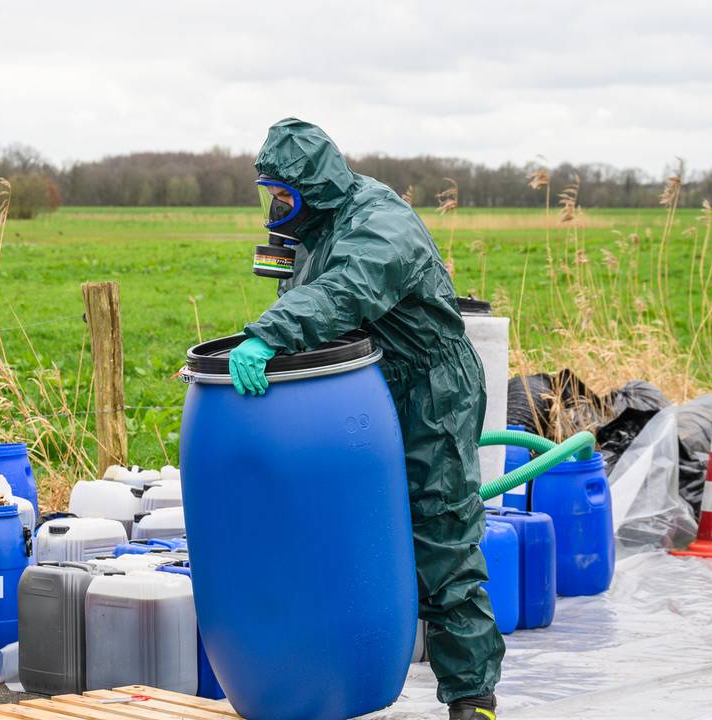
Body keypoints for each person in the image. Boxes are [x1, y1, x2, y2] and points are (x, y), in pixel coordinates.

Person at [229, 118, 504, 720]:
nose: (275, 207)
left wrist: (268, 335)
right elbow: (309, 297)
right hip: (366, 387)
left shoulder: (379, 224)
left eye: (283, 195)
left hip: (431, 389)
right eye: (268, 194)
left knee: (441, 539)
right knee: (356, 530)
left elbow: (345, 291)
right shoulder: (316, 225)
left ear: (314, 188)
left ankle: (472, 699)